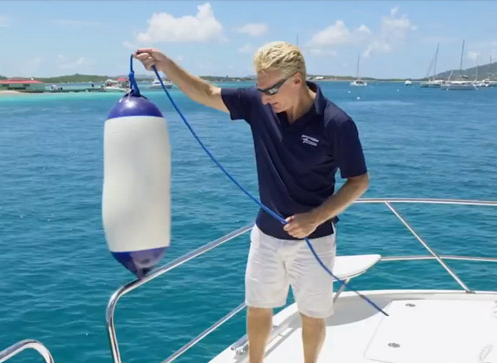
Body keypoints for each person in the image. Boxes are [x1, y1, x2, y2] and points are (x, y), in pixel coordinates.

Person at [133, 41, 369, 363]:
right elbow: (207, 93)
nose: (264, 98)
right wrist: (167, 66)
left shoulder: (336, 123)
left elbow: (358, 181)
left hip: (315, 240)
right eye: (260, 90)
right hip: (266, 237)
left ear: (297, 80)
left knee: (312, 315)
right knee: (258, 308)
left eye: (271, 90)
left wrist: (315, 217)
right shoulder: (260, 105)